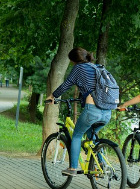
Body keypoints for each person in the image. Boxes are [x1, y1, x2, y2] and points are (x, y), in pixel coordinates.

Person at [46, 47, 112, 176]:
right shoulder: (96, 67)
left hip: (92, 110)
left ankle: (72, 168)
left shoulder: (78, 68)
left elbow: (67, 84)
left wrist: (53, 96)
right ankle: (101, 164)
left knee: (76, 135)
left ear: (73, 60)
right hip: (107, 111)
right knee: (92, 135)